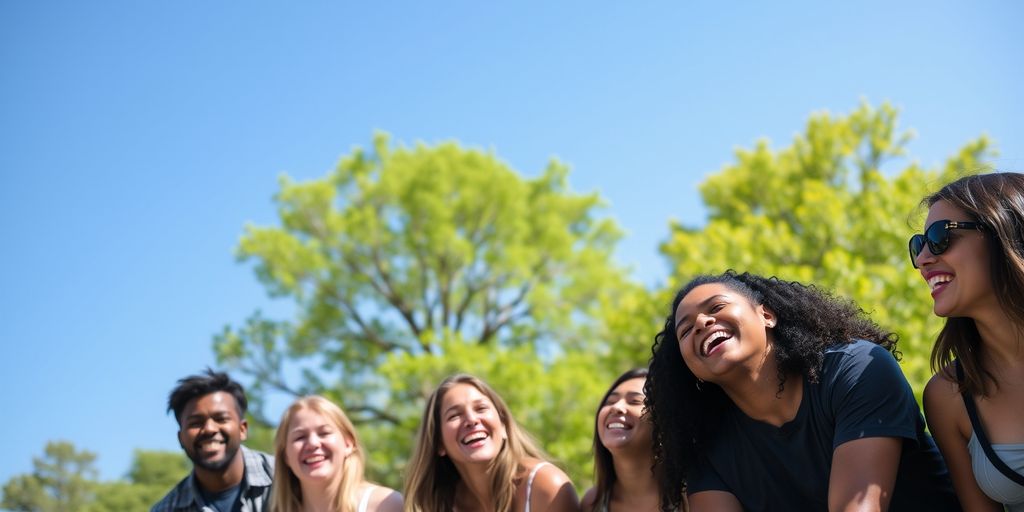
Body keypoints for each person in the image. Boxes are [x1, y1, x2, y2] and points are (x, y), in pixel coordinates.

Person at [645, 271, 959, 512]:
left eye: (717, 306)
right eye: (685, 330)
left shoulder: (857, 368)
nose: (701, 322)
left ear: (766, 315)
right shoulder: (705, 449)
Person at [915, 172, 1024, 511]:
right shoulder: (948, 396)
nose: (922, 260)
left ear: (1004, 233)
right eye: (918, 246)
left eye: (939, 237)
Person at [403, 374, 579, 512]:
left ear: (503, 426)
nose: (471, 420)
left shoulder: (546, 487)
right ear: (439, 444)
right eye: (455, 415)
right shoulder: (436, 504)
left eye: (481, 408)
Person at [153, 368, 275, 512]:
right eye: (195, 423)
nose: (209, 429)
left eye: (221, 419)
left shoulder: (288, 478)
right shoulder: (167, 509)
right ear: (181, 439)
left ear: (242, 429)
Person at [270, 395, 402, 512]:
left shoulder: (387, 505)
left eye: (324, 433)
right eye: (300, 437)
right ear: (285, 455)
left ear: (348, 444)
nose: (313, 443)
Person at [581, 368, 674, 512]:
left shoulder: (693, 496)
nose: (616, 407)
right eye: (610, 401)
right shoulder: (592, 503)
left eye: (635, 401)